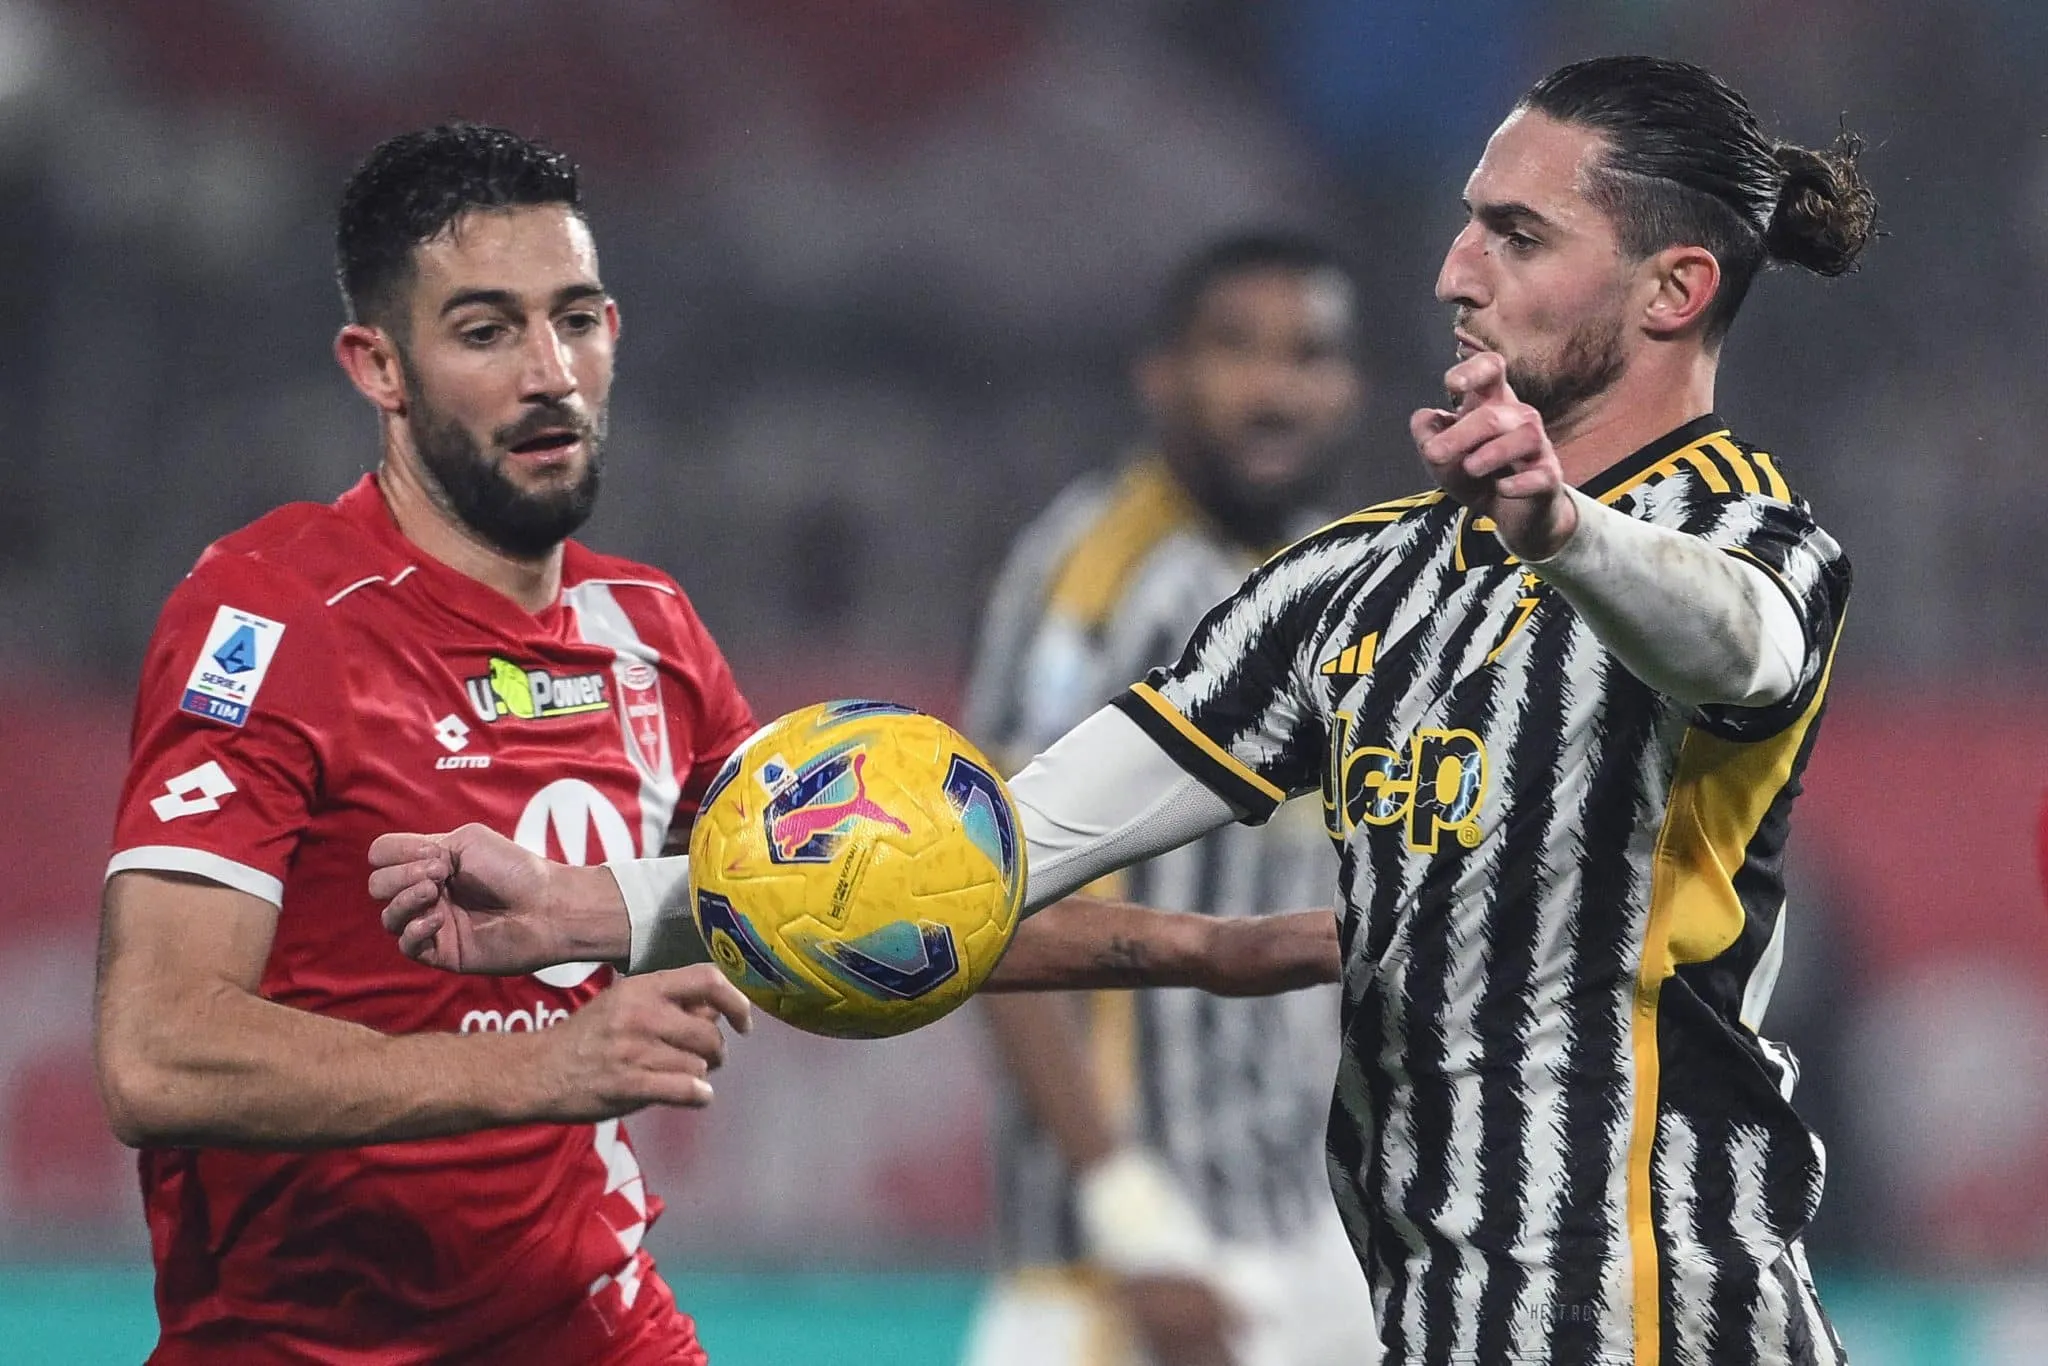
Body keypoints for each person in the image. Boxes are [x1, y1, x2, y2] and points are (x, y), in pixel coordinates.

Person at [371, 56, 1876, 1366]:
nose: (1452, 269)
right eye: (1470, 217)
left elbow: (1735, 647)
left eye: (1518, 234)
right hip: (1432, 1315)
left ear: (1675, 289)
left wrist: (1570, 536)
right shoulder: (1352, 585)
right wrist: (594, 905)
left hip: (1671, 1314)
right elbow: (990, 843)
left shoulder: (1748, 543)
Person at [94, 123, 763, 1363]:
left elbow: (849, 889)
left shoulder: (651, 629)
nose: (550, 371)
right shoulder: (270, 615)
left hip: (592, 1321)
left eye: (576, 318)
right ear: (379, 367)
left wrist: (1214, 953)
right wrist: (547, 1067)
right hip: (295, 1341)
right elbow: (156, 1053)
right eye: (486, 330)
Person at [958, 233, 1376, 1366]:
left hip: (1306, 1227)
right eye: (1235, 348)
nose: (1274, 386)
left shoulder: (1338, 581)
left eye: (1309, 354)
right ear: (1161, 374)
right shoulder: (1097, 578)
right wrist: (1132, 1221)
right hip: (1122, 1260)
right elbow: (971, 897)